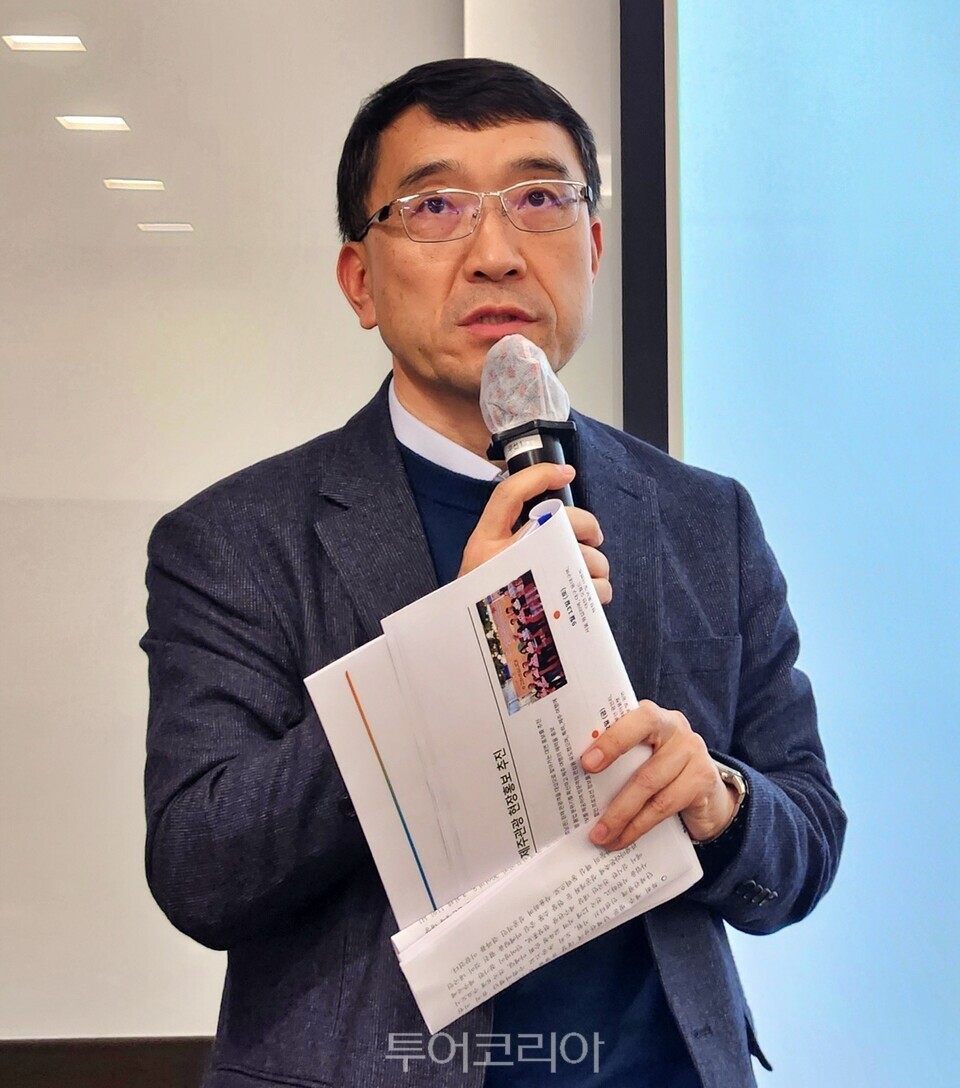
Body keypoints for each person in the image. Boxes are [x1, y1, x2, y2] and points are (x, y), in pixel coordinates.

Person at [141, 58, 846, 1087]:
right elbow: (201, 870)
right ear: (360, 281)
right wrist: (444, 656)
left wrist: (722, 802)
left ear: (593, 247)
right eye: (435, 207)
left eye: (540, 200)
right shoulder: (235, 539)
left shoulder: (706, 518)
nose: (498, 253)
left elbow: (808, 839)